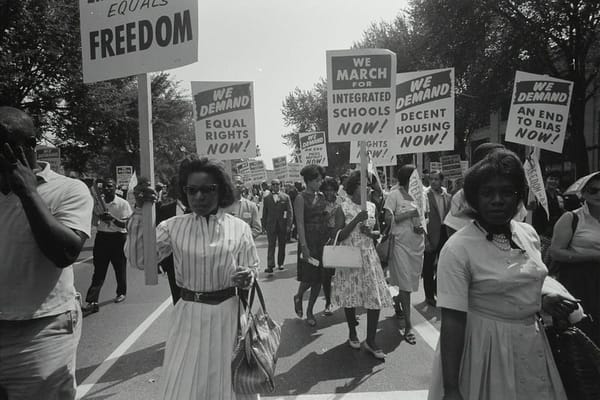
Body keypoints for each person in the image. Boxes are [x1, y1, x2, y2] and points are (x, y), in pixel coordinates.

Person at [429, 149, 576, 400]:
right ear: (475, 198)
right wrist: (451, 388)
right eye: (487, 193)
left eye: (507, 192)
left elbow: (519, 285)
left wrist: (541, 303)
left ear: (518, 196)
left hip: (532, 345)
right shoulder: (457, 248)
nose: (497, 200)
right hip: (485, 353)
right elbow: (452, 321)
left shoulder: (528, 234)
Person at [126, 157, 259, 400]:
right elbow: (140, 260)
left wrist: (247, 276)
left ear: (221, 191)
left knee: (227, 385)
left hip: (228, 316)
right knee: (184, 385)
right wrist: (139, 210)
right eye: (191, 190)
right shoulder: (172, 227)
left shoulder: (239, 228)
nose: (198, 196)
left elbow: (251, 267)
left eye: (207, 189)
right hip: (189, 315)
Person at [0, 107, 93, 399]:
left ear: (26, 146)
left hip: (40, 332)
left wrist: (28, 192)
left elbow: (64, 253)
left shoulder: (68, 190)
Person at [331, 171, 392, 359]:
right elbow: (338, 236)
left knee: (375, 299)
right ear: (353, 187)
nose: (366, 188)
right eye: (362, 184)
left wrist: (371, 233)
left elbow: (379, 234)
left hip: (369, 256)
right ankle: (352, 332)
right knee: (351, 297)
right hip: (349, 257)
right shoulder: (343, 207)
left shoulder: (372, 206)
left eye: (367, 184)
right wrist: (356, 221)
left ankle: (371, 341)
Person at [550, 171, 600, 345]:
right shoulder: (571, 218)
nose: (598, 194)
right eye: (593, 190)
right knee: (584, 332)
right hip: (580, 281)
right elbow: (556, 252)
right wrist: (593, 256)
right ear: (583, 193)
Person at [384, 164, 425, 345]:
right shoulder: (393, 195)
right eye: (415, 176)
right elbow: (387, 219)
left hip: (417, 246)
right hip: (399, 245)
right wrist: (409, 213)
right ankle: (409, 326)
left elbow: (425, 217)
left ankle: (397, 299)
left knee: (408, 285)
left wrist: (420, 227)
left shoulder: (422, 196)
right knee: (406, 286)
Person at [83, 177, 133, 312]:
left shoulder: (123, 204)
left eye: (110, 186)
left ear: (115, 188)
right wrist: (99, 217)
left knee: (119, 268)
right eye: (105, 186)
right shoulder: (98, 204)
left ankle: (121, 292)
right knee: (99, 271)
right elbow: (94, 223)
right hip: (102, 239)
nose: (107, 188)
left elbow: (126, 225)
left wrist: (112, 218)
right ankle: (92, 301)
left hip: (118, 239)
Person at [293, 164, 328, 327]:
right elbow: (299, 224)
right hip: (309, 242)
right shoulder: (300, 198)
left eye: (320, 180)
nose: (319, 183)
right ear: (308, 181)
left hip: (322, 242)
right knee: (308, 277)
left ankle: (309, 311)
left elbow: (326, 217)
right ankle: (299, 295)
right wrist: (304, 246)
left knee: (319, 279)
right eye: (316, 180)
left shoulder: (321, 196)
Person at [155, 175, 186, 305]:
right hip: (173, 263)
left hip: (198, 262)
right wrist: (158, 261)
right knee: (178, 301)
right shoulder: (164, 210)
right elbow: (157, 239)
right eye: (177, 186)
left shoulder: (200, 210)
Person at [423, 170, 451, 306]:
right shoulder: (425, 195)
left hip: (444, 232)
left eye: (436, 179)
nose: (433, 181)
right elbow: (422, 218)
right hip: (430, 234)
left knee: (443, 265)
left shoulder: (447, 196)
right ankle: (429, 296)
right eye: (431, 179)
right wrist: (425, 238)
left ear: (441, 181)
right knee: (428, 266)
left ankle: (436, 288)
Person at [321, 176, 343, 315]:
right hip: (326, 239)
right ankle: (328, 302)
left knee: (343, 272)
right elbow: (320, 221)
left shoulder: (342, 201)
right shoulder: (321, 203)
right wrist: (329, 215)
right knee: (326, 274)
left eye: (332, 190)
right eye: (326, 190)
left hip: (341, 237)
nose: (329, 193)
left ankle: (345, 303)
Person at [261, 178, 293, 273]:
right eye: (273, 184)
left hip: (282, 225)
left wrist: (289, 225)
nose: (275, 186)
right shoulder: (267, 198)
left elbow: (290, 212)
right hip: (271, 225)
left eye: (277, 184)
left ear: (280, 185)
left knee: (282, 245)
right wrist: (264, 225)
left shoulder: (285, 197)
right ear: (271, 186)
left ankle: (280, 263)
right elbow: (264, 213)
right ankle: (270, 265)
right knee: (271, 245)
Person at [532, 172, 565, 257]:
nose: (553, 181)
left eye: (556, 179)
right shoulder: (538, 195)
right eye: (551, 179)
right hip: (541, 233)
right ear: (545, 180)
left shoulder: (559, 196)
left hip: (555, 233)